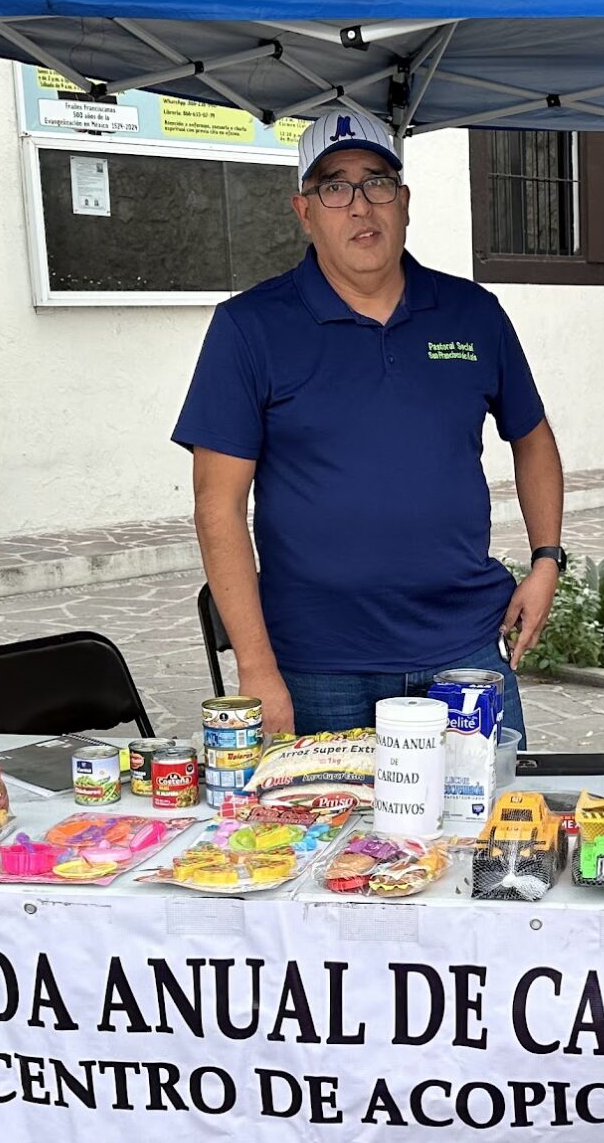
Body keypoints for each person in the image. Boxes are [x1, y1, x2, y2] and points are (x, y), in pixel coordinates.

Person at [177, 106, 568, 742]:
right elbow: (216, 507)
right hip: (316, 667)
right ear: (303, 210)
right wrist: (256, 668)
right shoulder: (249, 328)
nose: (360, 205)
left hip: (462, 654)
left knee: (490, 836)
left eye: (377, 182)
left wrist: (547, 559)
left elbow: (533, 439)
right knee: (320, 843)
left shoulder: (472, 313)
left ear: (404, 201)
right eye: (334, 186)